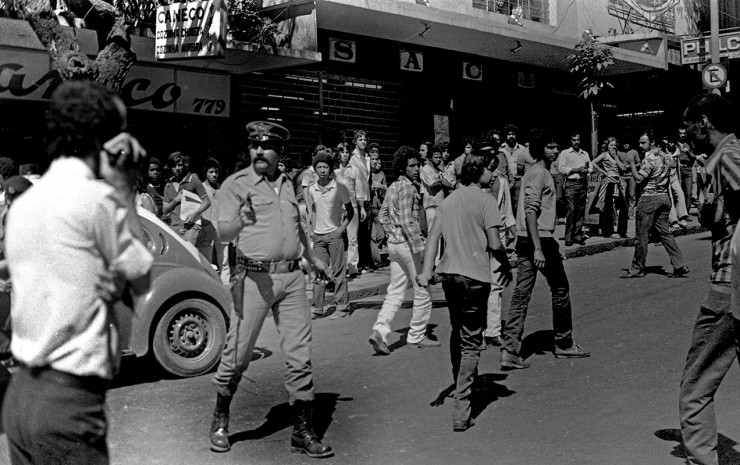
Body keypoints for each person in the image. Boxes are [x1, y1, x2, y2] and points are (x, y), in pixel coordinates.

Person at [2, 80, 153, 465]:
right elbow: (141, 272)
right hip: (69, 403)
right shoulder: (98, 200)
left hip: (20, 396)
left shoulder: (24, 204)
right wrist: (123, 187)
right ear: (104, 142)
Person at [208, 121, 333, 458]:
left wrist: (311, 256)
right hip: (254, 279)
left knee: (299, 355)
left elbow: (297, 227)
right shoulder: (236, 185)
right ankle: (221, 418)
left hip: (292, 279)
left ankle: (302, 431)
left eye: (267, 147)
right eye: (254, 146)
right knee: (237, 353)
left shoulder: (291, 186)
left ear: (279, 153)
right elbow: (222, 232)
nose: (260, 151)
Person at [417, 150, 512, 431]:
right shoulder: (486, 200)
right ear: (477, 172)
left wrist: (426, 271)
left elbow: (433, 238)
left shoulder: (449, 201)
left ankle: (460, 383)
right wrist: (506, 264)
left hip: (450, 277)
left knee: (457, 333)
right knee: (472, 341)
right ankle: (462, 408)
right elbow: (495, 244)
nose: (494, 174)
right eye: (489, 169)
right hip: (474, 278)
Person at [678, 93, 740, 465]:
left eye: (688, 128)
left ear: (704, 123)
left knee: (695, 386)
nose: (685, 135)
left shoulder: (728, 157)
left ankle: (702, 459)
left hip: (727, 285)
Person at [499, 128, 590, 371]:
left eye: (556, 146)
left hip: (529, 239)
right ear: (540, 148)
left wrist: (551, 242)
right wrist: (540, 247)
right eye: (550, 146)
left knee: (521, 294)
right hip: (536, 241)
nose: (555, 150)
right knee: (560, 290)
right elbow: (531, 210)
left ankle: (510, 350)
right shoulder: (540, 174)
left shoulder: (533, 172)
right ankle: (563, 342)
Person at [368, 146, 439, 355]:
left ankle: (380, 330)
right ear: (403, 168)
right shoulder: (408, 188)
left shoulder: (392, 187)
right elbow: (409, 222)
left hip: (395, 245)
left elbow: (382, 215)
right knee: (423, 290)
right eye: (412, 166)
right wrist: (422, 249)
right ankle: (417, 334)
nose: (416, 169)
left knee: (395, 290)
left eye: (417, 164)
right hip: (409, 245)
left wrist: (392, 232)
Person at [621, 130, 689, 279]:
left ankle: (637, 268)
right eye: (639, 142)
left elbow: (639, 178)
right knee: (665, 233)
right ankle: (679, 264)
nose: (640, 145)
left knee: (641, 236)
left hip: (649, 198)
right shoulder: (667, 157)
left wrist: (632, 163)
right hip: (664, 197)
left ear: (652, 143)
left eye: (643, 142)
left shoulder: (649, 159)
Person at [305, 152, 353, 319]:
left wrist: (341, 229)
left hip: (334, 235)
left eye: (325, 167)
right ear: (315, 169)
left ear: (330, 168)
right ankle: (317, 308)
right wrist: (311, 229)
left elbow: (351, 211)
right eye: (319, 167)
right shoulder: (312, 189)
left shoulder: (339, 188)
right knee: (319, 274)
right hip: (318, 237)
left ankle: (342, 307)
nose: (323, 170)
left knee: (339, 273)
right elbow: (312, 210)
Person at [483, 152, 516, 348]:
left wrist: (517, 234)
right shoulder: (472, 185)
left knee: (497, 284)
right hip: (478, 237)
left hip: (498, 234)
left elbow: (507, 213)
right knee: (479, 285)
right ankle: (477, 333)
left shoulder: (501, 182)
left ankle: (493, 331)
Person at [162, 151, 212, 256]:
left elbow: (207, 202)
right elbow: (165, 209)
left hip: (191, 226)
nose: (177, 168)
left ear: (184, 165)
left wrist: (195, 213)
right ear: (170, 168)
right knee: (175, 256)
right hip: (174, 227)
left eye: (179, 165)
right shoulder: (168, 185)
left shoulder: (193, 181)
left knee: (188, 255)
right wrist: (176, 200)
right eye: (174, 166)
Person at [557, 132, 591, 246]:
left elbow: (590, 167)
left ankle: (577, 235)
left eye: (578, 140)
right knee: (571, 210)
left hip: (582, 183)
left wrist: (588, 170)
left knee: (580, 211)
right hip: (571, 183)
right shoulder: (565, 153)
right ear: (570, 141)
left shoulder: (584, 153)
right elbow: (561, 168)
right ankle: (569, 237)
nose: (576, 142)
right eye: (574, 140)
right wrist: (577, 169)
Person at [590, 136, 628, 239]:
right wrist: (603, 172)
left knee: (624, 207)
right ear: (607, 146)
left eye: (615, 145)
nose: (613, 147)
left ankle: (622, 231)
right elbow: (593, 162)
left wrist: (615, 157)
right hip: (608, 182)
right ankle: (608, 231)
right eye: (611, 145)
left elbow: (623, 168)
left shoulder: (616, 156)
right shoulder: (604, 155)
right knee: (608, 207)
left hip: (616, 181)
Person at [202, 157, 230, 284]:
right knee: (206, 262)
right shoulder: (200, 189)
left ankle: (225, 289)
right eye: (211, 172)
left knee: (224, 262)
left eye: (216, 172)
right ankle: (208, 287)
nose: (214, 175)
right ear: (205, 173)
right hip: (206, 231)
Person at [334, 142, 361, 276]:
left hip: (353, 206)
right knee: (337, 237)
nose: (345, 154)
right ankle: (338, 266)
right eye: (342, 152)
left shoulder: (354, 170)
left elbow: (358, 190)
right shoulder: (334, 171)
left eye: (347, 152)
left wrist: (361, 209)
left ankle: (353, 267)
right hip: (338, 208)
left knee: (352, 238)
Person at [498, 124, 533, 212]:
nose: (511, 136)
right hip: (506, 181)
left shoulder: (522, 149)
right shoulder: (500, 150)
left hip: (519, 181)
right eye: (509, 134)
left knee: (518, 205)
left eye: (513, 134)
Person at [369, 144, 387, 269]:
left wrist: (381, 187)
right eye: (372, 159)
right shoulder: (366, 173)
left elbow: (387, 190)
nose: (375, 162)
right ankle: (376, 262)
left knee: (381, 235)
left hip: (379, 207)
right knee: (373, 238)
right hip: (369, 207)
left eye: (377, 159)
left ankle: (372, 257)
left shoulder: (381, 175)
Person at [618, 138, 641, 217]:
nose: (626, 145)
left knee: (632, 194)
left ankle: (630, 211)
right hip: (622, 176)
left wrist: (631, 165)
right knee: (622, 194)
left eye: (627, 143)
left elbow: (639, 163)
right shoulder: (619, 152)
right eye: (624, 143)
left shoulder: (634, 152)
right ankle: (623, 211)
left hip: (631, 176)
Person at [677, 127, 696, 211]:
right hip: (677, 170)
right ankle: (679, 214)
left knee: (688, 193)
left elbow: (694, 157)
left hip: (688, 169)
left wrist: (688, 151)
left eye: (684, 133)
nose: (682, 135)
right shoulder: (674, 144)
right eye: (681, 133)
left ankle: (686, 213)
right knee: (678, 193)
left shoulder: (690, 144)